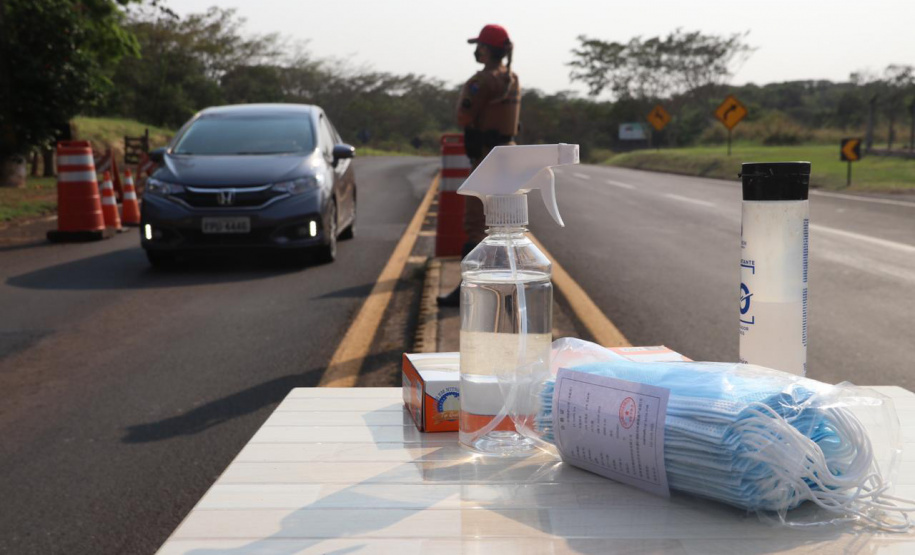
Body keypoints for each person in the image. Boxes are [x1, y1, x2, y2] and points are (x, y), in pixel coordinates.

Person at [438, 24, 521, 307]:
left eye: (479, 46)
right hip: (508, 157)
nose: (476, 50)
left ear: (486, 49)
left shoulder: (482, 82)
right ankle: (507, 290)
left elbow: (463, 116)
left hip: (486, 158)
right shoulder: (512, 79)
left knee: (475, 224)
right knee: (504, 224)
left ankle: (469, 290)